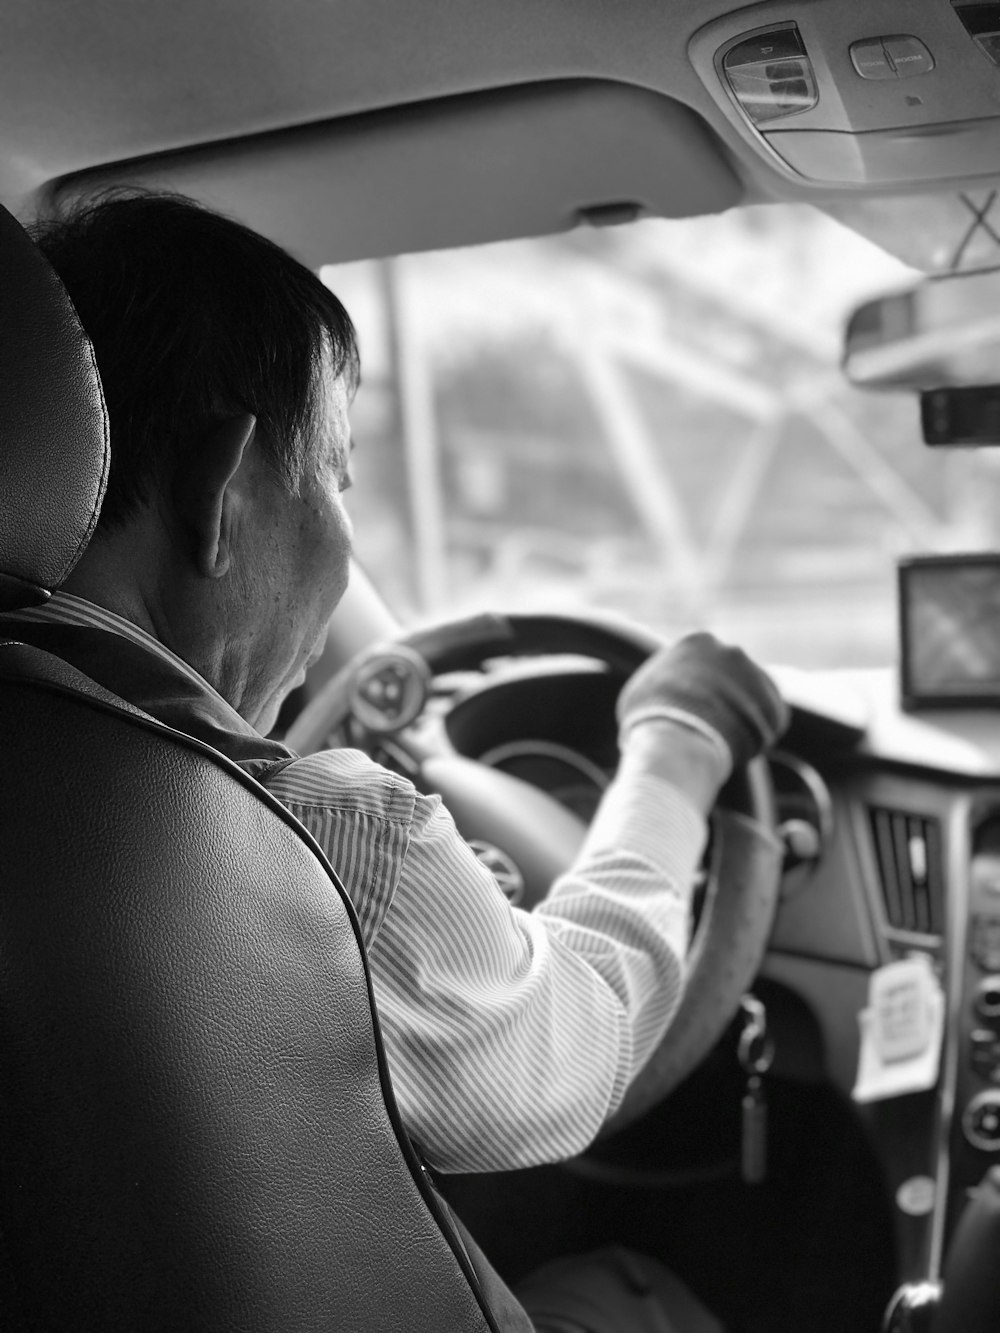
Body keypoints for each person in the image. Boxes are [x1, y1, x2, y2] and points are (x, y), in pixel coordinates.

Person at [5, 189, 787, 1332]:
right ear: (222, 493)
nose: (343, 526)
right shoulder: (321, 848)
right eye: (337, 474)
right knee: (639, 1292)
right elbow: (577, 1038)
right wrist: (679, 745)